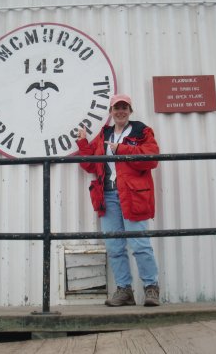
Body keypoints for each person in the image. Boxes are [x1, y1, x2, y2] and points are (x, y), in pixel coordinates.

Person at [76, 93, 160, 307]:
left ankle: (151, 289)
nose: (120, 111)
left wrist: (121, 150)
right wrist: (83, 142)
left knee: (140, 244)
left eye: (124, 107)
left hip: (133, 195)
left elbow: (151, 158)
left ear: (130, 110)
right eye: (116, 108)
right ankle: (124, 291)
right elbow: (89, 164)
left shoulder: (142, 131)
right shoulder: (104, 135)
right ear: (111, 112)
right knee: (114, 247)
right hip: (108, 196)